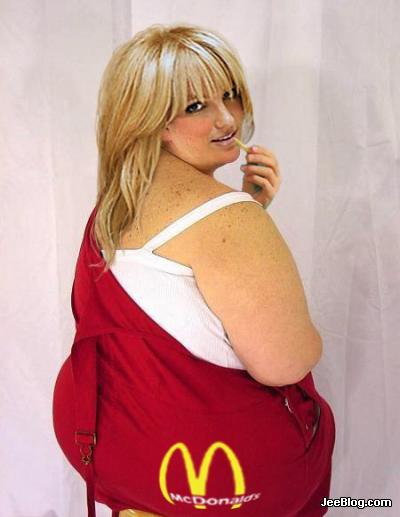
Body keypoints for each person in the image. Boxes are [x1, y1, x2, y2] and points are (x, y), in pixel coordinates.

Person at [52, 23, 335, 517]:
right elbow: (286, 364)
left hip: (118, 457)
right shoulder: (228, 219)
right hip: (223, 484)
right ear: (148, 120)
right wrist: (246, 220)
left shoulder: (114, 207)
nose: (227, 119)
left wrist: (248, 210)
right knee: (348, 488)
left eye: (231, 95)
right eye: (195, 106)